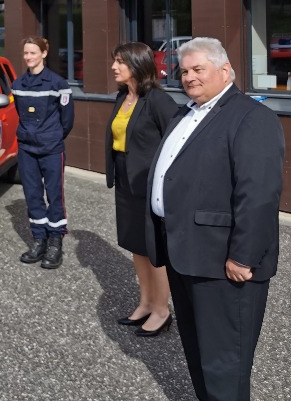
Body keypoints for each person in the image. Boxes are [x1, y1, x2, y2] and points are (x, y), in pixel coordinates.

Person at [145, 37, 284, 400]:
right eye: (184, 71)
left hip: (223, 262)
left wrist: (243, 256)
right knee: (199, 355)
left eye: (198, 69)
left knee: (225, 364)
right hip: (184, 254)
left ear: (225, 71)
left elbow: (259, 195)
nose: (189, 77)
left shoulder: (252, 117)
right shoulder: (184, 113)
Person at [104, 42, 178, 337]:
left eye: (120, 62)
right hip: (126, 180)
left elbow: (177, 142)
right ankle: (146, 302)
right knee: (136, 245)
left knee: (153, 248)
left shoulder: (158, 100)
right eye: (114, 61)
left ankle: (162, 310)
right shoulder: (122, 96)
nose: (114, 67)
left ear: (137, 64)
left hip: (149, 184)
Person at [12, 36, 74, 269]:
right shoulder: (18, 84)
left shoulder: (58, 84)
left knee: (54, 195)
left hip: (51, 148)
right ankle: (39, 240)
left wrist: (52, 136)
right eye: (26, 53)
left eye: (33, 53)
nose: (28, 57)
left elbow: (67, 120)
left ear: (44, 53)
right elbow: (19, 113)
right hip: (26, 148)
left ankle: (55, 242)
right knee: (32, 195)